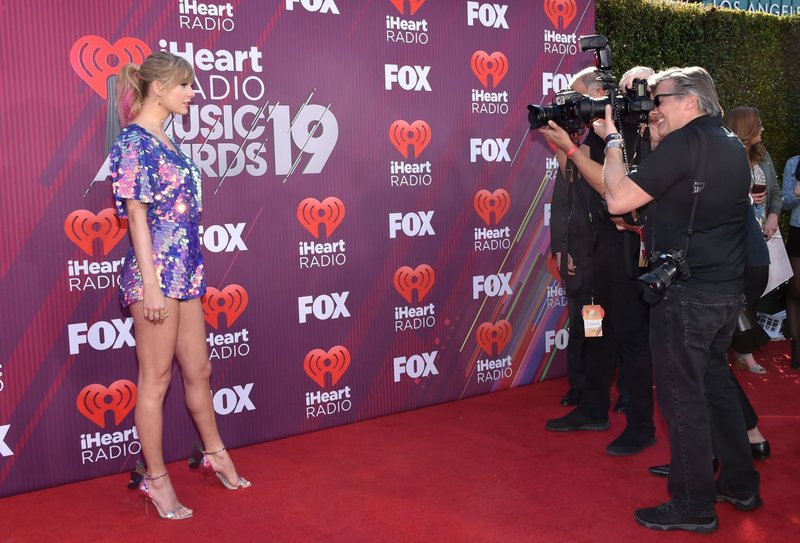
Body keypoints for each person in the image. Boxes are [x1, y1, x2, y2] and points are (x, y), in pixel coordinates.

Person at [602, 66, 761, 533]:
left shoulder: (684, 144)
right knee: (716, 387)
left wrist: (612, 140)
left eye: (661, 100)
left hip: (688, 294)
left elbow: (618, 200)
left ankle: (693, 504)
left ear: (690, 101)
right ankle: (740, 483)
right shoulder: (730, 144)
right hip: (725, 291)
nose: (655, 108)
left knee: (681, 398)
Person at [111, 51, 251, 520]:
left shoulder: (166, 139)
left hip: (186, 272)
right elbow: (136, 217)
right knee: (156, 380)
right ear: (158, 87)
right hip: (155, 275)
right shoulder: (134, 141)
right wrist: (151, 286)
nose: (193, 93)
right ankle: (155, 479)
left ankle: (215, 454)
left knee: (200, 370)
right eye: (185, 84)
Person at [539, 67, 656, 457]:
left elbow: (609, 186)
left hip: (629, 249)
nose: (576, 105)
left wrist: (571, 149)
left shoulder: (632, 132)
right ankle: (593, 408)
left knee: (631, 339)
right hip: (598, 249)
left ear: (602, 96)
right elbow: (574, 176)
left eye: (579, 98)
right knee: (596, 331)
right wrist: (563, 139)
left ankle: (640, 427)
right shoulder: (597, 132)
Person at [724, 106, 780, 374]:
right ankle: (735, 351)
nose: (763, 128)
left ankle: (743, 351)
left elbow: (776, 192)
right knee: (732, 291)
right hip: (732, 235)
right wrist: (746, 197)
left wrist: (773, 216)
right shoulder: (724, 155)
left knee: (751, 290)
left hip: (759, 232)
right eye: (759, 123)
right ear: (746, 126)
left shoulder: (762, 155)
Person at [781, 152, 800, 369]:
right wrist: (797, 194)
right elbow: (785, 202)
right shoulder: (794, 163)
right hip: (798, 229)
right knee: (796, 287)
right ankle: (796, 347)